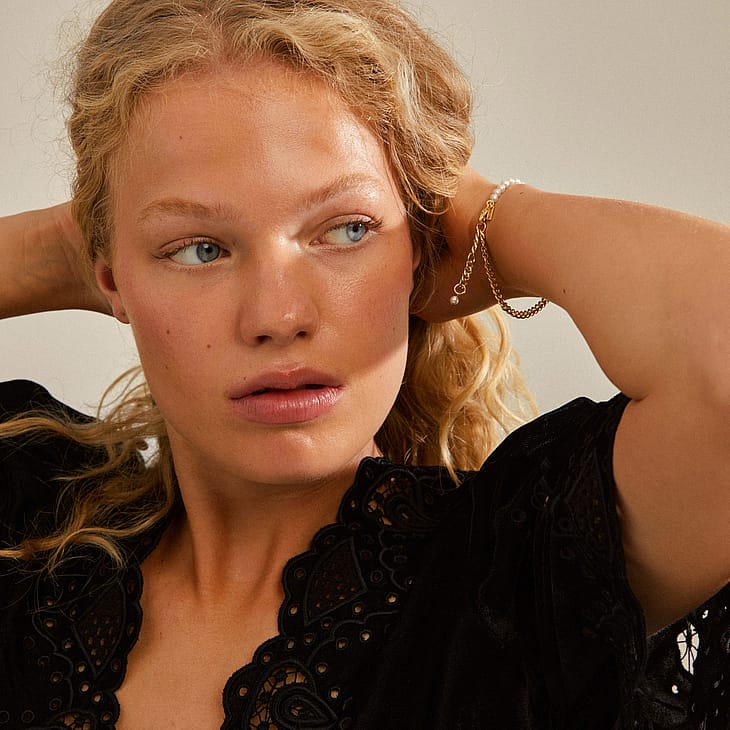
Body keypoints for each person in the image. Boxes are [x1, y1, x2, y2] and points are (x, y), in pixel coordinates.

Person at [0, 0, 728, 728]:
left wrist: (485, 220)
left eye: (348, 230)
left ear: (420, 249)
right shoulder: (28, 536)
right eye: (200, 249)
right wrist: (67, 246)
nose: (279, 316)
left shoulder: (516, 584)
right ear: (109, 277)